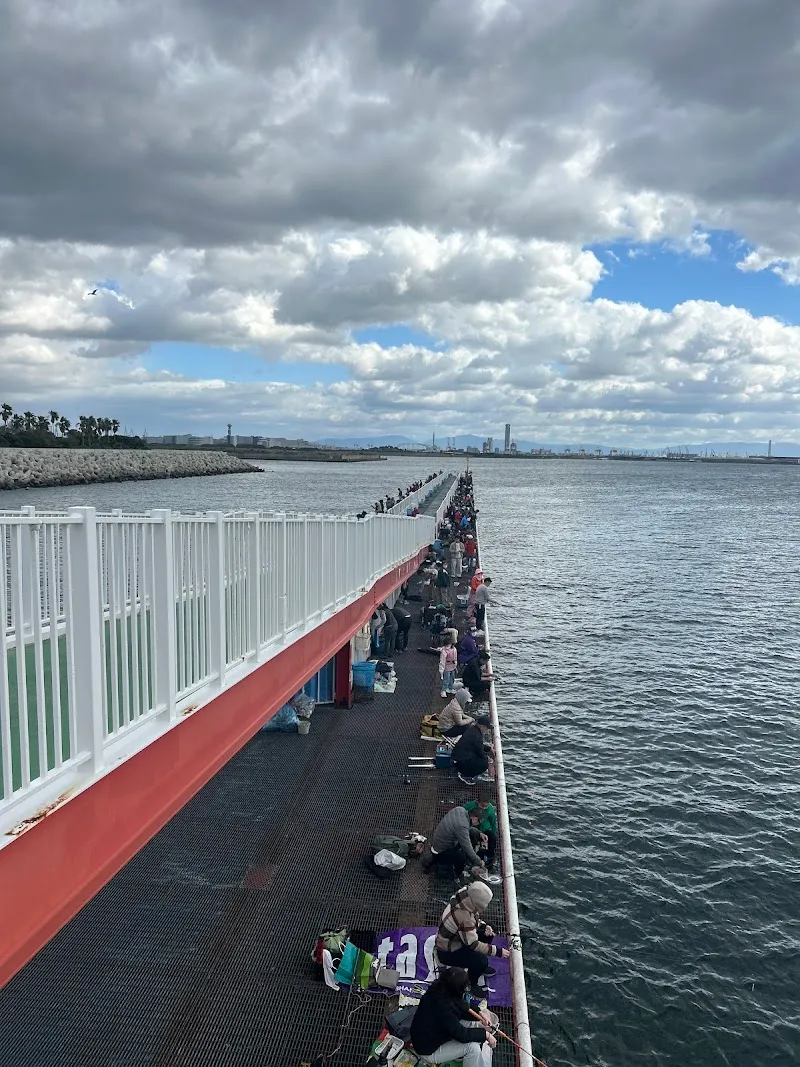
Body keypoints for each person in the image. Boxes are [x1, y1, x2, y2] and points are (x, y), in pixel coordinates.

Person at [410, 967, 494, 1067]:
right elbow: (462, 1035)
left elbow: (460, 1004)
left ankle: (460, 1054)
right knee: (472, 1048)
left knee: (475, 1025)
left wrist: (479, 1014)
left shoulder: (439, 988)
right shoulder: (444, 1009)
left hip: (428, 1034)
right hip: (428, 1050)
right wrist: (486, 1035)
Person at [435, 882, 510, 992]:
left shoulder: (463, 898)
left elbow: (472, 919)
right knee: (481, 961)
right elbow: (473, 944)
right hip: (446, 951)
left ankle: (478, 968)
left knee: (489, 929)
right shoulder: (465, 919)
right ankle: (470, 983)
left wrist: (484, 926)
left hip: (456, 938)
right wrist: (497, 951)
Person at [422, 805, 486, 881]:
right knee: (461, 857)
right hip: (440, 851)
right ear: (475, 818)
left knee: (470, 838)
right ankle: (455, 876)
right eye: (479, 822)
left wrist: (479, 833)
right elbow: (467, 848)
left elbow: (465, 828)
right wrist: (479, 861)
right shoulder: (462, 826)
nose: (478, 824)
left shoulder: (460, 810)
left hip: (438, 841)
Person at [464, 787, 498, 869]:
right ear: (477, 801)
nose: (484, 808)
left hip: (485, 829)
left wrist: (492, 833)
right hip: (472, 829)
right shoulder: (470, 806)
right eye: (482, 806)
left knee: (493, 838)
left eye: (486, 806)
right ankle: (470, 859)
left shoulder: (490, 810)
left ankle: (488, 859)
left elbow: (493, 822)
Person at [452, 719, 491, 784]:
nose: (488, 730)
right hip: (461, 761)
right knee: (484, 764)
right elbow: (480, 751)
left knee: (479, 758)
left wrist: (489, 748)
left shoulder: (472, 729)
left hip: (457, 757)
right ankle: (466, 776)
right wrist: (488, 759)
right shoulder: (477, 736)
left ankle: (463, 771)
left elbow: (478, 746)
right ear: (482, 726)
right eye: (487, 728)